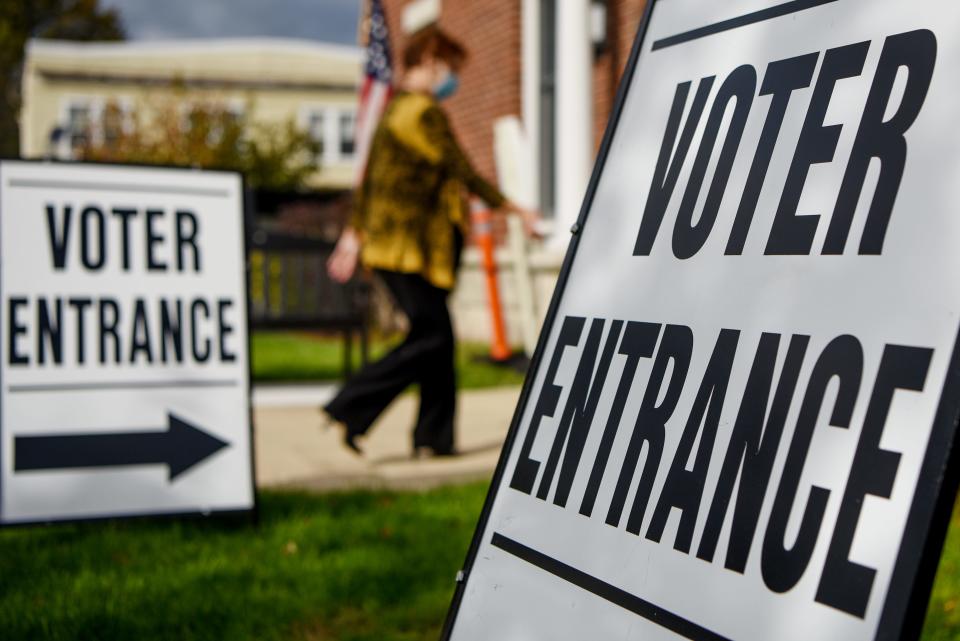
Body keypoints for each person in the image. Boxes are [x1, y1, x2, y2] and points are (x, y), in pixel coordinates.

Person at [324, 25, 539, 458]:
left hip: (403, 249)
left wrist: (354, 233)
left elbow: (372, 184)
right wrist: (515, 209)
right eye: (449, 69)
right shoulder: (421, 113)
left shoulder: (394, 113)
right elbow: (461, 168)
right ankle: (351, 404)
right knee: (431, 338)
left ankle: (433, 439)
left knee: (438, 340)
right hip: (406, 250)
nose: (452, 80)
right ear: (427, 63)